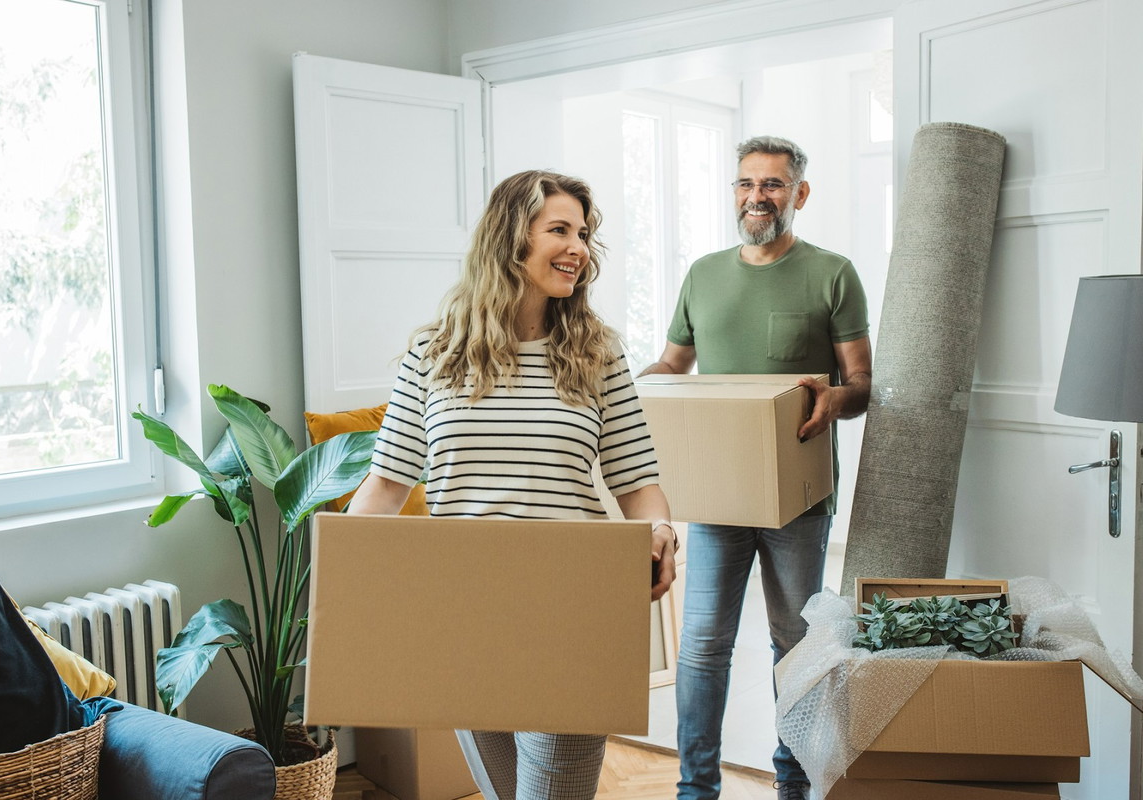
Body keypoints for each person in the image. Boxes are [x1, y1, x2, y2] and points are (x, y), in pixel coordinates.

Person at [347, 169, 679, 800]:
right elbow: (386, 485)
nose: (578, 247)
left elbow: (638, 485)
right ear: (509, 239)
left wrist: (659, 531)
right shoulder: (434, 355)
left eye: (583, 233)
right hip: (464, 610)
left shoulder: (597, 354)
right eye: (559, 229)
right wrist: (342, 582)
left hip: (572, 609)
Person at [639, 136, 872, 800]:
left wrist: (836, 399)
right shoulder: (704, 275)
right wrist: (625, 389)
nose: (756, 197)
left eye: (771, 185)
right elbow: (672, 367)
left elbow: (861, 382)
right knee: (704, 648)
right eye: (745, 184)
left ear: (799, 194)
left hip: (796, 501)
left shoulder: (832, 274)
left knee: (794, 647)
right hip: (716, 495)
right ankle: (696, 789)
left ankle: (792, 786)